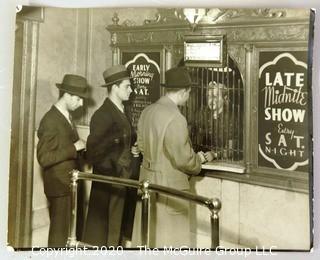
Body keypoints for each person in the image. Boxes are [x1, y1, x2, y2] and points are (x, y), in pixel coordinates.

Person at [132, 67, 206, 247]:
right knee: (171, 242)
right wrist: (199, 161)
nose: (189, 96)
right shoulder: (176, 118)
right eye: (189, 92)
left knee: (149, 238)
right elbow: (183, 160)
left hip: (146, 183)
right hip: (169, 189)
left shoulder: (147, 111)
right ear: (182, 92)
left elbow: (141, 146)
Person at [83, 65, 138, 246]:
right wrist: (117, 169)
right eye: (127, 86)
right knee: (107, 232)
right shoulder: (103, 115)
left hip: (122, 180)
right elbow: (94, 153)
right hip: (111, 182)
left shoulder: (122, 111)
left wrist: (131, 149)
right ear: (114, 87)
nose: (131, 90)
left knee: (117, 228)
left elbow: (120, 142)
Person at [37, 74, 90, 247]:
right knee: (59, 239)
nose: (81, 104)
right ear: (66, 95)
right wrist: (74, 148)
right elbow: (44, 158)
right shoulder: (51, 120)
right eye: (78, 99)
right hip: (59, 188)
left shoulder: (66, 115)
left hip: (69, 185)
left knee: (70, 235)